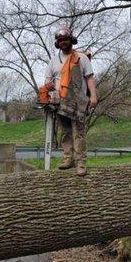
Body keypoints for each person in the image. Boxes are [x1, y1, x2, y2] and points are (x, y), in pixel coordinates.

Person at [44, 28, 97, 176]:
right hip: (61, 102)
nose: (63, 42)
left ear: (71, 40)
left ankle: (81, 162)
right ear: (57, 43)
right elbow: (48, 80)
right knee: (65, 132)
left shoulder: (81, 58)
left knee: (78, 133)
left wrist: (93, 96)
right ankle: (68, 159)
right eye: (60, 40)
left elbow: (90, 78)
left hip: (79, 101)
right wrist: (48, 87)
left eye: (65, 40)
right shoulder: (53, 61)